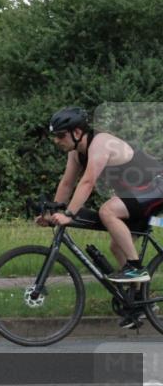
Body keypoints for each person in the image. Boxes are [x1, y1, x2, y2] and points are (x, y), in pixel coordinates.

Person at [39, 107, 163, 288]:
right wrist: (52, 212)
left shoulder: (100, 143)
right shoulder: (75, 153)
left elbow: (87, 182)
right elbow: (67, 184)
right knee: (117, 246)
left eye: (60, 135)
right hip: (139, 194)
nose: (56, 140)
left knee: (108, 211)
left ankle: (135, 268)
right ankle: (136, 299)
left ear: (77, 132)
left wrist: (69, 214)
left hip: (156, 186)